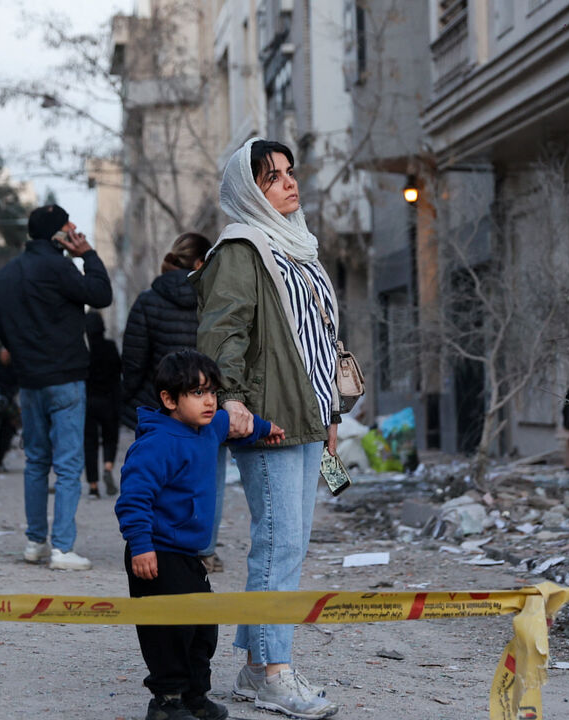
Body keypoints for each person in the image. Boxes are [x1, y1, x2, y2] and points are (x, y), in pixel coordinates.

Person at [195, 138, 342, 719]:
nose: (287, 182)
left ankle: (259, 664)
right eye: (270, 176)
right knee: (278, 544)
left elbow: (315, 340)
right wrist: (230, 402)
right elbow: (221, 334)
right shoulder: (240, 248)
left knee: (291, 544)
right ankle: (271, 671)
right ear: (247, 192)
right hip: (269, 418)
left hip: (307, 415)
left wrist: (329, 416)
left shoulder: (297, 246)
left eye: (288, 172)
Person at [116, 349, 284, 720]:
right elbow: (133, 498)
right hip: (156, 552)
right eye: (196, 393)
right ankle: (166, 701)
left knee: (202, 629)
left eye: (211, 391)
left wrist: (264, 428)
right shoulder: (156, 444)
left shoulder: (208, 428)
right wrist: (141, 546)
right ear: (169, 399)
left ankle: (195, 696)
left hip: (190, 554)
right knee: (169, 632)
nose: (209, 400)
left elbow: (234, 424)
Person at [0, 204, 111, 571]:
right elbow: (100, 295)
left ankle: (35, 543)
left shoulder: (8, 273)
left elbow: (1, 326)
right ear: (54, 234)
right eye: (67, 224)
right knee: (68, 464)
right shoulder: (59, 266)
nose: (74, 227)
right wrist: (88, 254)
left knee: (36, 463)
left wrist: (23, 355)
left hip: (29, 382)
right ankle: (62, 548)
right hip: (64, 379)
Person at [121, 232, 229, 572]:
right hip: (207, 406)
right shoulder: (214, 301)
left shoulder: (148, 300)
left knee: (153, 478)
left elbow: (134, 360)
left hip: (160, 408)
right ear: (201, 264)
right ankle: (204, 548)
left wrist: (129, 400)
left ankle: (156, 540)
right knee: (208, 477)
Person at [84, 311, 122, 498]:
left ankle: (93, 486)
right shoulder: (110, 347)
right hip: (108, 400)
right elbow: (118, 373)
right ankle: (108, 467)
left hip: (88, 401)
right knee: (110, 437)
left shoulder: (83, 350)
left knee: (89, 443)